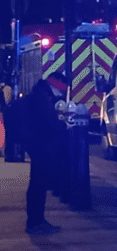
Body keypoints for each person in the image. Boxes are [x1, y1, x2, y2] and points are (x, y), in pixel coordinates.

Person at [23, 74, 67, 234]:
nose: (61, 95)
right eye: (61, 90)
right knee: (38, 185)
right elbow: (48, 123)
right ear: (56, 86)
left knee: (37, 184)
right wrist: (61, 127)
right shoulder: (43, 98)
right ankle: (36, 222)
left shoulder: (39, 94)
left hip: (37, 146)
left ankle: (37, 220)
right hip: (40, 147)